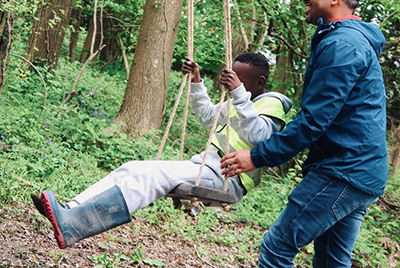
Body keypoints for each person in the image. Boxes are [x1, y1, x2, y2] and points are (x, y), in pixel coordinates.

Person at [32, 52, 292, 249]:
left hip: (228, 179)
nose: (232, 87)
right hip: (206, 167)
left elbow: (259, 137)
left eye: (240, 81)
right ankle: (69, 210)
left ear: (260, 82)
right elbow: (207, 116)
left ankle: (76, 225)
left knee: (152, 177)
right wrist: (197, 82)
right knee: (132, 167)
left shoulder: (271, 103)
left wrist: (238, 94)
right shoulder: (241, 100)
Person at [221, 0, 388, 268]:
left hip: (343, 171)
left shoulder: (343, 45)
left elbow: (313, 120)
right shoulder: (343, 39)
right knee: (330, 263)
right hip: (361, 172)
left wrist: (257, 157)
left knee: (276, 249)